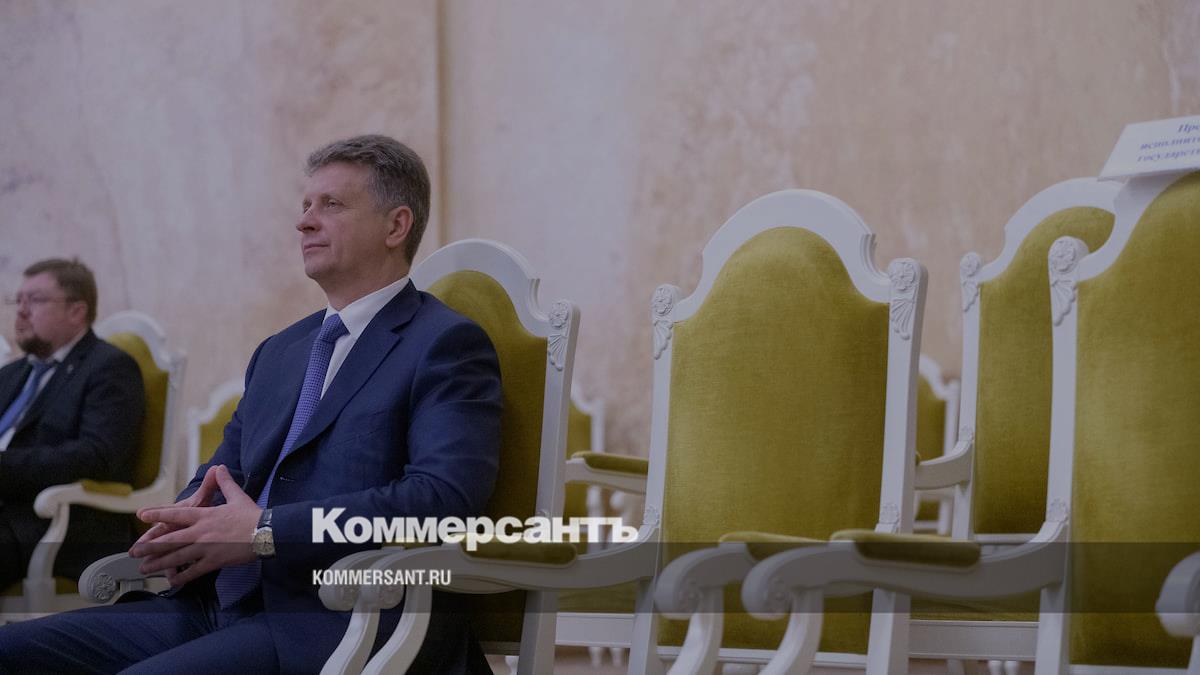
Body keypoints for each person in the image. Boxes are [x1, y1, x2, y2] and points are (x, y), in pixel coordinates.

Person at [0, 135, 503, 674]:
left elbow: (441, 502)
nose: (304, 222)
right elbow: (223, 474)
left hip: (338, 617)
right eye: (305, 205)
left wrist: (266, 532)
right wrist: (187, 521)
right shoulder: (281, 350)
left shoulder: (443, 343)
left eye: (331, 205)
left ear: (396, 226)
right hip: (212, 604)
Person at [0, 258, 145, 590]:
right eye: (18, 300)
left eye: (35, 300)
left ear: (77, 311)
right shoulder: (10, 375)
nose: (21, 311)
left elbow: (97, 455)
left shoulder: (109, 367)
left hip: (50, 523)